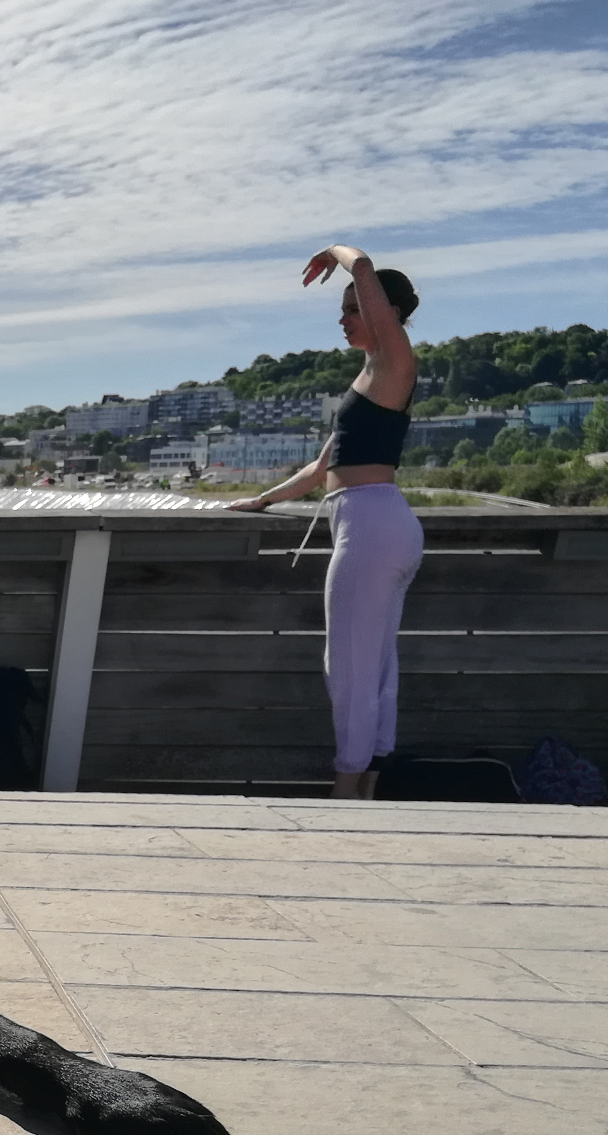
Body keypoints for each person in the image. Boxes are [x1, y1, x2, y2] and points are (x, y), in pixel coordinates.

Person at [230, 246, 421, 800]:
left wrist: (334, 251)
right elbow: (322, 468)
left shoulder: (394, 361)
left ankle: (344, 787)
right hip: (376, 524)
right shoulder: (368, 380)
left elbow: (361, 267)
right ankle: (365, 787)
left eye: (353, 310)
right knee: (377, 666)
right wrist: (262, 501)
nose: (343, 318)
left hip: (371, 526)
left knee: (352, 669)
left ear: (382, 311)